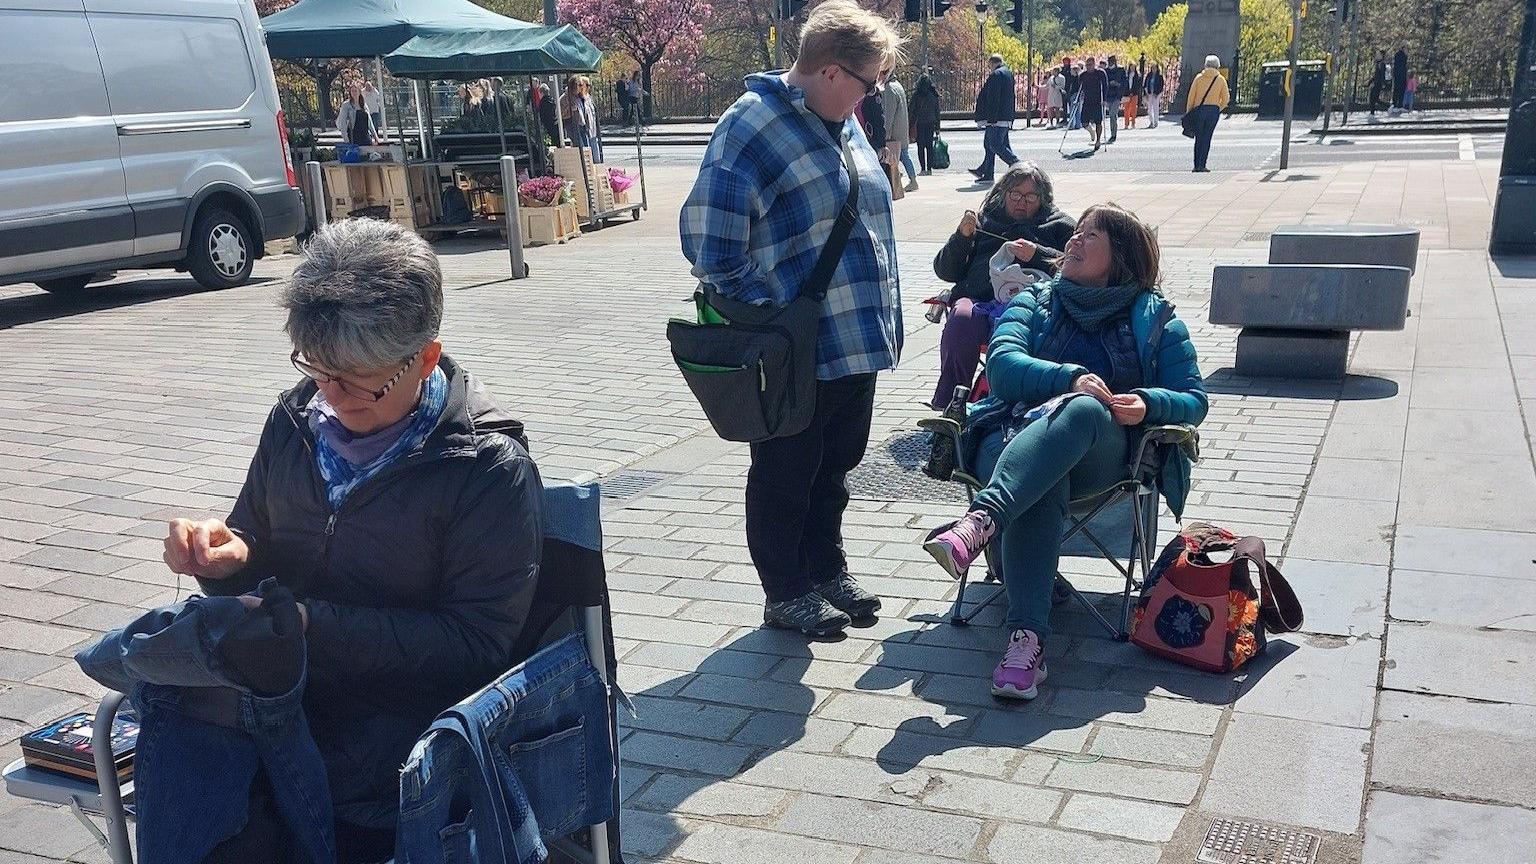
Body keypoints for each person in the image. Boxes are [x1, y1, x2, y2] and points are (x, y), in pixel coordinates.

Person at [161, 218, 543, 861]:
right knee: (175, 727)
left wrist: (314, 626)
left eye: (356, 383)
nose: (330, 398)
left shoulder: (486, 471)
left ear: (424, 357)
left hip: (402, 738)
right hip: (289, 701)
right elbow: (256, 534)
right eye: (318, 369)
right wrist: (227, 554)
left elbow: (475, 645)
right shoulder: (295, 417)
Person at [679, 0, 903, 638]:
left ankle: (825, 568)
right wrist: (775, 320)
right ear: (832, 71)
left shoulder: (843, 120)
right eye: (869, 83)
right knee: (786, 470)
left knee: (834, 463)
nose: (873, 95)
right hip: (796, 347)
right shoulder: (751, 125)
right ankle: (786, 589)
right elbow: (709, 243)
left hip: (853, 339)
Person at [923, 204, 1207, 700]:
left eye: (1088, 235)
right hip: (1010, 437)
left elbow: (1194, 399)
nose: (1072, 241)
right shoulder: (1035, 299)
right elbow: (1006, 368)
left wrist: (1148, 402)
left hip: (1103, 452)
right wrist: (1069, 377)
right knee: (1044, 474)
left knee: (1082, 411)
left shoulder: (1155, 318)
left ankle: (981, 522)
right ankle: (1025, 644)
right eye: (1075, 233)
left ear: (1121, 255)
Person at [930, 163, 1077, 410]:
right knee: (961, 318)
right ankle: (950, 403)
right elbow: (946, 271)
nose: (1022, 202)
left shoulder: (1060, 225)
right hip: (979, 300)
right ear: (1003, 193)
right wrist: (962, 237)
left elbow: (1078, 268)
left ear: (1043, 198)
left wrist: (1038, 254)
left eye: (1031, 197)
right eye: (1015, 195)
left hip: (1033, 305)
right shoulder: (985, 221)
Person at [971, 54, 1018, 183]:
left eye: (989, 64)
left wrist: (991, 119)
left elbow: (993, 98)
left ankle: (1016, 163)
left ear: (992, 63)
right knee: (991, 145)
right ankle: (986, 172)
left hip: (997, 118)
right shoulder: (1008, 73)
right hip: (1005, 115)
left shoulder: (996, 75)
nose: (989, 67)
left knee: (995, 145)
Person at [1185, 55, 1229, 172]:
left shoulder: (1199, 78)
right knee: (1207, 138)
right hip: (1213, 111)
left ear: (1205, 65)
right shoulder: (1220, 79)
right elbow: (1226, 99)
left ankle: (1196, 165)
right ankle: (1203, 164)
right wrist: (1218, 108)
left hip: (1199, 110)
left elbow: (1191, 97)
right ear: (1217, 66)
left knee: (1198, 138)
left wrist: (1189, 111)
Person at [881, 76, 918, 192]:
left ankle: (912, 180)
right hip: (901, 128)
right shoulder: (898, 85)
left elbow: (889, 113)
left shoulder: (889, 89)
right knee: (904, 155)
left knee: (899, 156)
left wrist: (886, 133)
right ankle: (910, 179)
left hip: (895, 132)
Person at [911, 73, 942, 176]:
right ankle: (929, 169)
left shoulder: (917, 95)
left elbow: (911, 109)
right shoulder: (934, 95)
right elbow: (937, 112)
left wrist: (910, 123)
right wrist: (938, 127)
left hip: (920, 122)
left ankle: (923, 168)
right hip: (931, 122)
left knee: (920, 146)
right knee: (929, 146)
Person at [336, 79, 378, 147]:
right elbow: (343, 124)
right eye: (352, 91)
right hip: (353, 137)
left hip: (365, 136)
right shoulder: (346, 105)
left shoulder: (364, 105)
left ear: (359, 92)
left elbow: (370, 123)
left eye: (355, 91)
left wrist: (376, 137)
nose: (354, 93)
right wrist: (346, 141)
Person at [1077, 56, 1107, 149]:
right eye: (1087, 65)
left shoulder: (1100, 73)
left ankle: (1098, 140)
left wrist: (1104, 100)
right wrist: (1077, 99)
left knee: (1098, 122)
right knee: (1084, 121)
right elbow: (1079, 88)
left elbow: (1105, 86)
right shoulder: (1083, 75)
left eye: (1090, 65)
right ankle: (1091, 131)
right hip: (1087, 100)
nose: (1088, 67)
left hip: (1098, 101)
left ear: (1094, 64)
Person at [1104, 55, 1128, 143]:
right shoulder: (1105, 71)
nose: (1111, 63)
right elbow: (1104, 83)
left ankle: (1114, 134)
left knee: (1112, 114)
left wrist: (1118, 84)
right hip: (1109, 95)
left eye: (1112, 61)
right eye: (1109, 61)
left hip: (1117, 96)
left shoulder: (1120, 70)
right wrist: (1109, 84)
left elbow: (1125, 82)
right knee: (1112, 115)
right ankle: (1112, 132)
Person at [1144, 63, 1165, 128]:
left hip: (1157, 94)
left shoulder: (1160, 76)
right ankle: (1151, 122)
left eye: (1154, 68)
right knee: (1149, 109)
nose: (1153, 69)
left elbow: (1161, 86)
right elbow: (1145, 84)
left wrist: (1157, 93)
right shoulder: (1149, 75)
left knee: (1156, 108)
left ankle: (1156, 122)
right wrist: (1146, 93)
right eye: (1152, 68)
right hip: (1150, 93)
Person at [1392, 46, 1409, 112]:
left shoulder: (1397, 55)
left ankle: (1396, 105)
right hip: (1401, 75)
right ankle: (1397, 105)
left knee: (1398, 90)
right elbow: (1403, 64)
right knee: (1400, 90)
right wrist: (1406, 55)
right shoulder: (1402, 55)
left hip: (1398, 75)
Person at [1369, 52, 1387, 116]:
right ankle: (1372, 112)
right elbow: (1376, 75)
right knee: (1374, 98)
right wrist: (1370, 82)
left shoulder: (1382, 64)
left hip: (1378, 84)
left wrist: (1383, 84)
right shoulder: (1378, 63)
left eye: (1378, 55)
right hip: (1376, 82)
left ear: (1382, 56)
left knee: (1373, 98)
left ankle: (1388, 106)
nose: (1376, 56)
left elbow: (1382, 75)